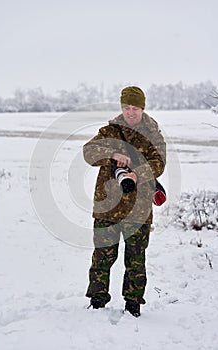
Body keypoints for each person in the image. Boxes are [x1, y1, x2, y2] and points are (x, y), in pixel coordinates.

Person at [83, 86, 166, 317]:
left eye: (135, 108)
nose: (130, 112)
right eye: (127, 107)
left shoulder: (153, 134)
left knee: (136, 260)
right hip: (107, 207)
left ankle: (133, 305)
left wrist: (137, 173)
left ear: (142, 108)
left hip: (138, 209)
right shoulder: (110, 130)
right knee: (101, 257)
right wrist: (112, 154)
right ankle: (97, 302)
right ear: (122, 107)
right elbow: (88, 152)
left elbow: (159, 163)